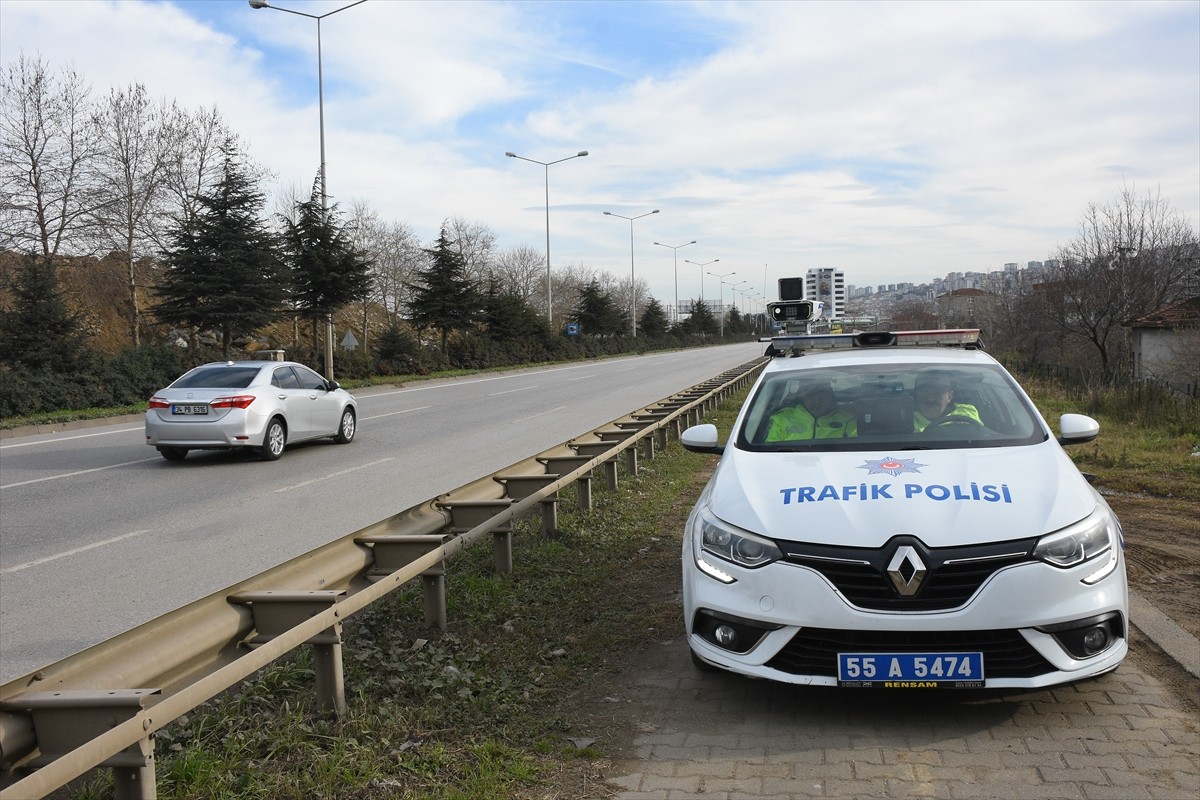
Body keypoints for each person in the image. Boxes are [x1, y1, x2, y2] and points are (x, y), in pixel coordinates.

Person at [765, 379, 857, 441]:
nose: (816, 399)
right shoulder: (780, 419)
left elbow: (855, 453)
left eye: (822, 393)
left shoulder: (848, 420)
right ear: (801, 396)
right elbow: (767, 454)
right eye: (811, 394)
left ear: (830, 395)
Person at [912, 374, 982, 432]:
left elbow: (981, 438)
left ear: (949, 396)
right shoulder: (907, 418)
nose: (931, 399)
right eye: (925, 392)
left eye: (937, 392)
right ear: (916, 396)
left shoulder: (967, 412)